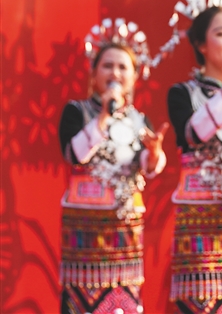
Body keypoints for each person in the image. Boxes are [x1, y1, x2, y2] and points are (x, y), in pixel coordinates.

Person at [59, 19, 167, 314]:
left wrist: (155, 153)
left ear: (134, 76)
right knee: (82, 300)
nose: (115, 73)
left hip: (125, 227)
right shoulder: (77, 111)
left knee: (123, 300)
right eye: (107, 66)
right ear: (94, 73)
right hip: (85, 225)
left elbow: (146, 167)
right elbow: (75, 154)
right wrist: (104, 117)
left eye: (122, 67)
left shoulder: (138, 119)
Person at [166, 0, 222, 313]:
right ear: (201, 45)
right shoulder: (182, 93)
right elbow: (193, 134)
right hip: (200, 217)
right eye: (221, 33)